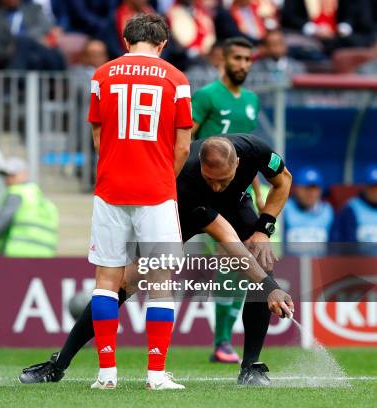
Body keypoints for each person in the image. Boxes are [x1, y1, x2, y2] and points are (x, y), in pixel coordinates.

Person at [19, 134, 294, 387]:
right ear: (200, 166)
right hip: (184, 212)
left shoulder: (255, 150)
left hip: (236, 204)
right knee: (126, 282)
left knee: (262, 259)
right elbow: (228, 239)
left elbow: (284, 181)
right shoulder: (185, 177)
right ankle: (59, 364)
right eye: (210, 179)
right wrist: (271, 288)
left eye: (223, 180)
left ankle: (250, 368)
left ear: (238, 164)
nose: (217, 186)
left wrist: (263, 229)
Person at [87, 13, 193, 390]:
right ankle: (155, 375)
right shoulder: (177, 80)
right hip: (156, 191)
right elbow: (183, 145)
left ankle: (106, 374)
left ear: (125, 41)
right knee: (160, 280)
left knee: (106, 279)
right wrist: (163, 177)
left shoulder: (101, 75)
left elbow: (98, 135)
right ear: (162, 44)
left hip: (111, 188)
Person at [190, 36, 263, 363]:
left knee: (246, 264)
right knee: (230, 261)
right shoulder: (206, 96)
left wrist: (257, 191)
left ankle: (225, 342)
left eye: (248, 59)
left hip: (240, 194)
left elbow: (248, 154)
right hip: (207, 193)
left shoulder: (251, 100)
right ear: (222, 59)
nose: (243, 65)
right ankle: (222, 342)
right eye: (237, 58)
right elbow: (184, 142)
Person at [0, 157, 59, 257]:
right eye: (5, 176)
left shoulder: (17, 193)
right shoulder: (46, 203)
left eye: (12, 175)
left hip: (18, 255)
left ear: (24, 175)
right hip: (45, 257)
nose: (7, 179)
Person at [283, 166, 334, 256]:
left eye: (314, 188)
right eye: (306, 188)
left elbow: (335, 246)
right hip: (290, 265)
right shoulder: (285, 208)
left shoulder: (327, 211)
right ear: (296, 188)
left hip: (319, 265)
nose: (310, 193)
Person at [332, 165, 377, 251]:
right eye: (372, 187)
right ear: (365, 187)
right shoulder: (352, 208)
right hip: (361, 261)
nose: (376, 191)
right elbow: (348, 245)